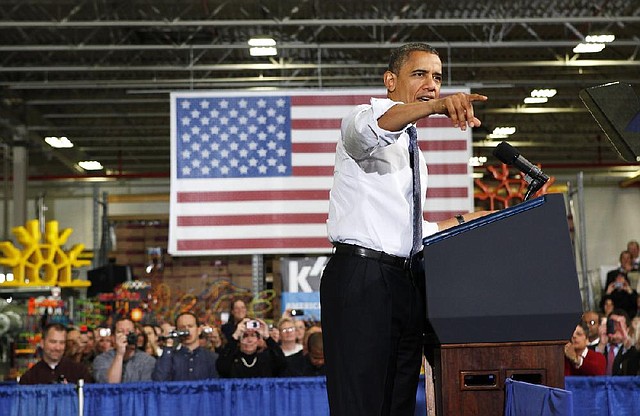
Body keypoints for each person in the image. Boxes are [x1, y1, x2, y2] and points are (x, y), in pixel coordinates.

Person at [321, 42, 489, 415]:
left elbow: (411, 232)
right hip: (361, 279)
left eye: (438, 78)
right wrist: (434, 107)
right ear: (390, 80)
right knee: (361, 406)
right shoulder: (362, 120)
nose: (431, 84)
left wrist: (474, 221)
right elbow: (375, 129)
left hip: (406, 281)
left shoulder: (415, 154)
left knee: (398, 405)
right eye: (420, 74)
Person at [152, 312, 219, 381]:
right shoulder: (171, 358)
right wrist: (168, 343)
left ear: (198, 330)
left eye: (190, 326)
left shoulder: (211, 357)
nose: (187, 330)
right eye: (182, 327)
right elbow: (159, 379)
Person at [19, 323, 93, 385]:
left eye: (62, 343)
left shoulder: (80, 371)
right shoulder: (30, 377)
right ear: (42, 343)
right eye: (53, 342)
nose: (57, 348)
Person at [216, 317, 286, 378]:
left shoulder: (265, 358)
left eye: (253, 335)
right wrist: (235, 336)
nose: (249, 340)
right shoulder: (233, 359)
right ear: (239, 341)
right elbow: (221, 367)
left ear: (258, 340)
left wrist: (267, 337)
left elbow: (282, 364)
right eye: (245, 336)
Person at [92, 317, 156, 383]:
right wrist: (119, 354)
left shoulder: (147, 360)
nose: (126, 335)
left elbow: (146, 389)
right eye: (120, 332)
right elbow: (110, 386)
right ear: (113, 338)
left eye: (130, 331)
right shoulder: (101, 359)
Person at [601, 309, 639, 376]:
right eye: (613, 324)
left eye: (619, 325)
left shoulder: (632, 351)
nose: (615, 328)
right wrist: (601, 344)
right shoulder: (598, 348)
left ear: (627, 329)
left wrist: (626, 338)